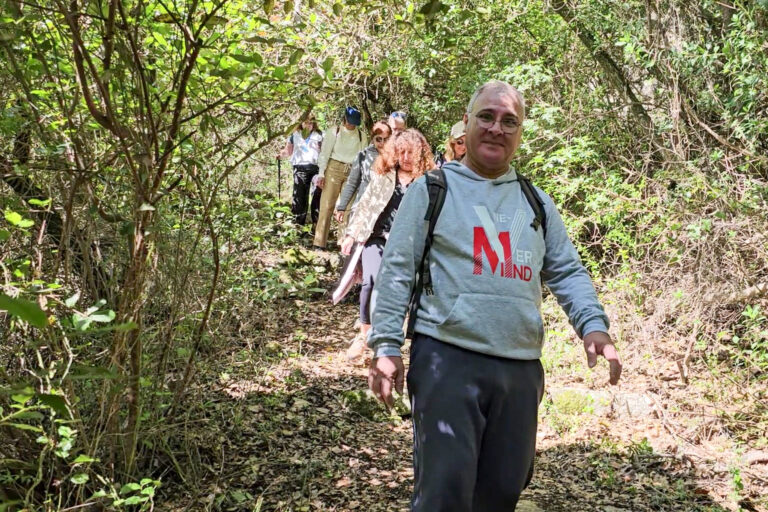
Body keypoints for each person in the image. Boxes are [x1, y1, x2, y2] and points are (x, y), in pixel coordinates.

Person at [366, 80, 623, 511]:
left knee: (503, 491)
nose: (496, 128)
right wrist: (386, 345)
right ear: (466, 124)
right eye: (486, 117)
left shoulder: (535, 202)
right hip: (446, 359)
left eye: (509, 121)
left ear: (520, 133)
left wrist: (593, 325)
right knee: (444, 495)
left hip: (520, 370)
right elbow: (396, 272)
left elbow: (566, 269)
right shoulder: (431, 191)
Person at [339, 129, 434, 361]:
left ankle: (390, 340)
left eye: (410, 153)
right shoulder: (384, 175)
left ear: (420, 154)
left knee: (406, 289)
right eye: (401, 152)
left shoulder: (428, 182)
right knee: (371, 280)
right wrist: (351, 234)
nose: (405, 157)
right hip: (378, 237)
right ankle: (364, 334)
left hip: (410, 244)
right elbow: (365, 205)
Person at [313, 107, 368, 250]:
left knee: (347, 208)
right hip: (333, 168)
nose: (351, 125)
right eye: (350, 122)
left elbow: (363, 157)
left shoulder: (361, 136)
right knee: (327, 205)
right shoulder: (334, 131)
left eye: (354, 123)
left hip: (352, 170)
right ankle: (319, 242)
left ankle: (342, 242)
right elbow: (325, 153)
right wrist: (321, 173)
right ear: (344, 119)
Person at [334, 120, 392, 224]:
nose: (382, 143)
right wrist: (341, 207)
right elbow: (352, 183)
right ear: (373, 139)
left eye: (386, 139)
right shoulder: (363, 155)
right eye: (379, 139)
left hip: (385, 210)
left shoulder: (396, 158)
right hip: (362, 207)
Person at [279, 115, 323, 227]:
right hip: (300, 168)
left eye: (311, 123)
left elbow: (324, 151)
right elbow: (288, 151)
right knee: (300, 197)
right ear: (301, 123)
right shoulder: (295, 135)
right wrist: (281, 154)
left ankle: (316, 223)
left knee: (318, 194)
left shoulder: (319, 135)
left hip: (316, 167)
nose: (308, 125)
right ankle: (298, 225)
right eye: (306, 122)